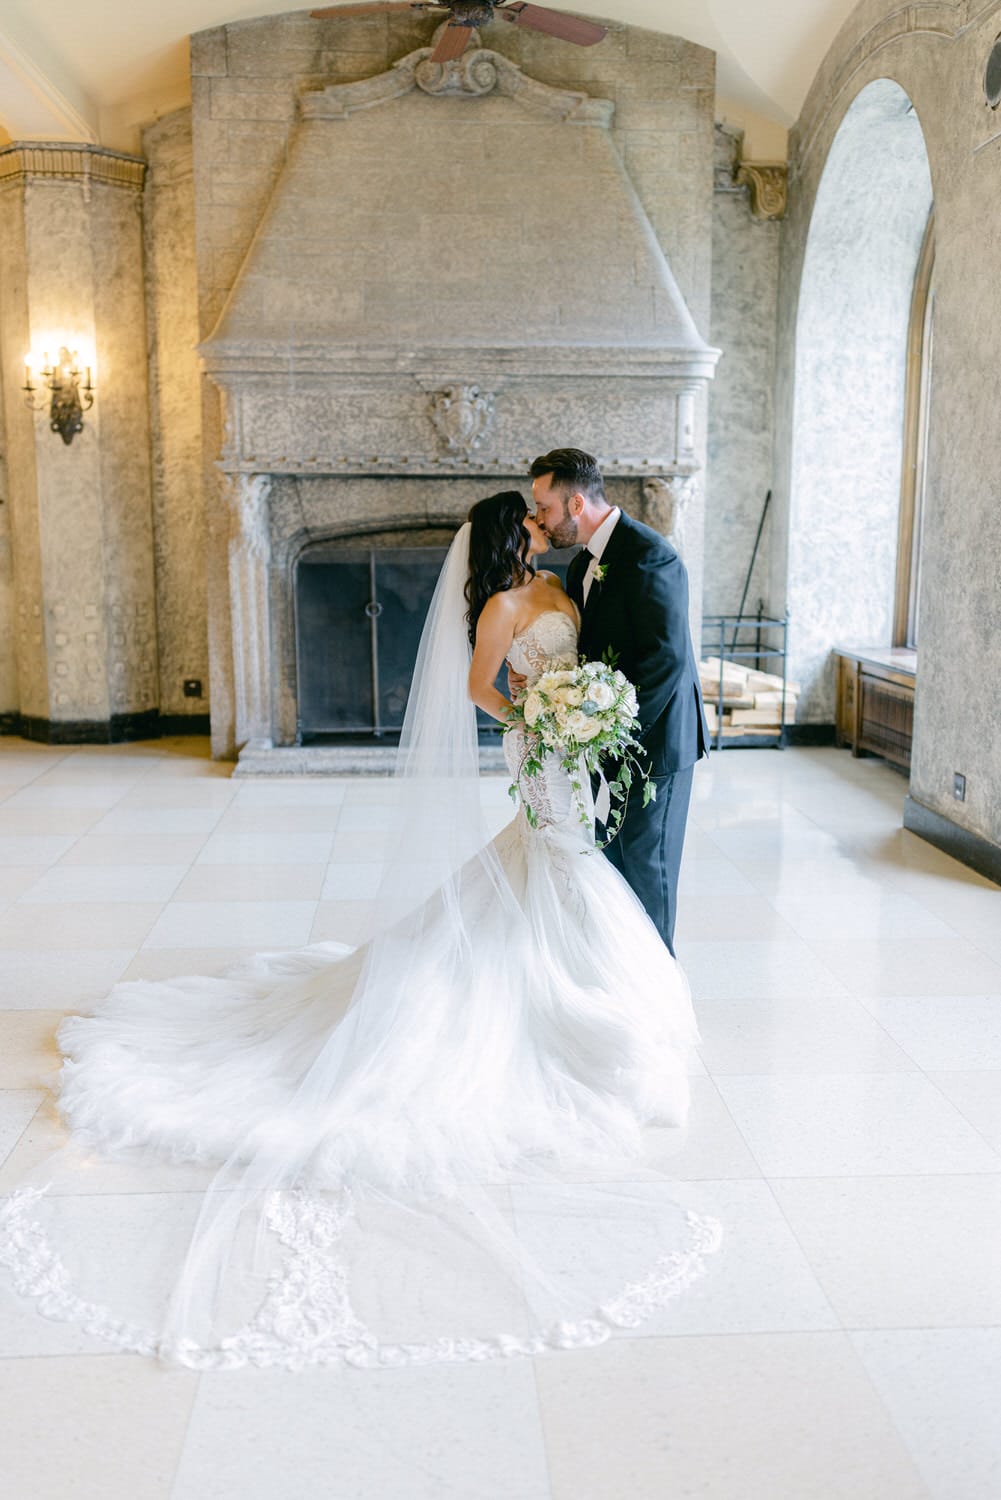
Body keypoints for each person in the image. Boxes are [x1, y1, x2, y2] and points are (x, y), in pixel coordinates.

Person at [0, 491, 717, 1372]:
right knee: (553, 862)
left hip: (575, 754)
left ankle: (590, 994)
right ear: (510, 538)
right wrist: (538, 721)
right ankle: (554, 1007)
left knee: (566, 874)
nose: (541, 529)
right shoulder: (498, 607)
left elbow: (597, 663)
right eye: (529, 525)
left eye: (542, 520)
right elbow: (480, 687)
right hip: (538, 755)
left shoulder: (567, 595)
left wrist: (588, 717)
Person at [528, 449, 709, 957]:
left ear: (576, 501)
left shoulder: (651, 555)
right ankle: (624, 978)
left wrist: (609, 731)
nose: (539, 518)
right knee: (615, 867)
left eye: (544, 507)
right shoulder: (582, 564)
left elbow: (664, 660)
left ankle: (661, 994)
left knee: (649, 869)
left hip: (654, 740)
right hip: (600, 741)